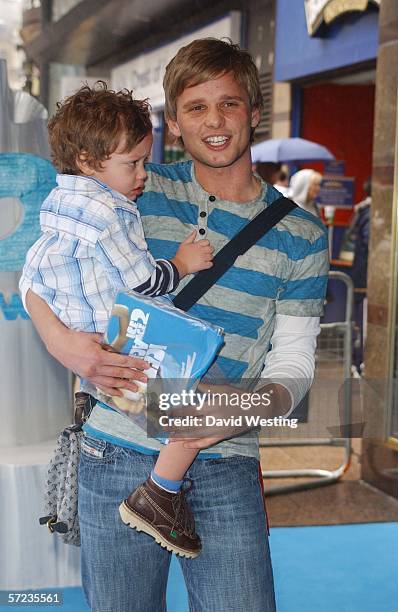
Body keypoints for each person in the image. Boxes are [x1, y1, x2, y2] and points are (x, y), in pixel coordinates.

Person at [22, 39, 329, 612]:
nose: (214, 122)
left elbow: (295, 365)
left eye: (229, 104)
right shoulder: (128, 186)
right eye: (195, 108)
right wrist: (61, 343)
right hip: (114, 450)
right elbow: (38, 264)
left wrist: (236, 412)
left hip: (227, 459)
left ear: (254, 113)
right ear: (176, 122)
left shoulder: (303, 234)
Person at [19, 83, 215, 558]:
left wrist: (57, 334)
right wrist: (184, 263)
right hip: (123, 342)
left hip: (87, 344)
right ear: (88, 159)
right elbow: (145, 281)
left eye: (145, 162)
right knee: (195, 418)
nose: (142, 175)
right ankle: (159, 496)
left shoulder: (59, 202)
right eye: (133, 164)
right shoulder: (108, 212)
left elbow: (33, 272)